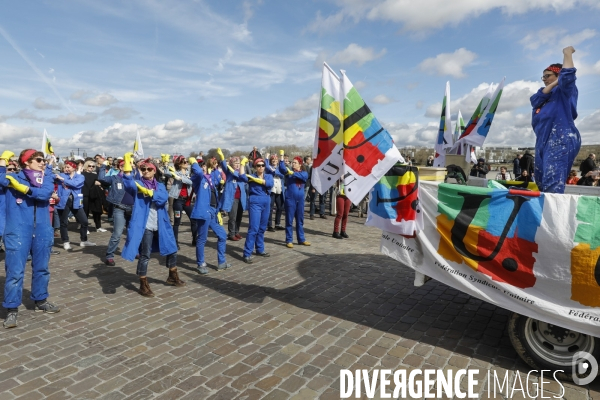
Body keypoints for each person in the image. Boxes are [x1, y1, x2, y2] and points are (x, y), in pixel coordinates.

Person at [0, 149, 60, 329]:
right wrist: (3, 161)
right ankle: (11, 309)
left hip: (42, 228)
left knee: (42, 268)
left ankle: (41, 299)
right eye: (39, 160)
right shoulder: (13, 177)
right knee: (15, 272)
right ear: (26, 162)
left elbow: (44, 194)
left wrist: (23, 189)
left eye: (43, 160)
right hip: (17, 229)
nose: (43, 163)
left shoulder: (46, 178)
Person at [121, 154, 184, 297]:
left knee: (172, 249)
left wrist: (150, 193)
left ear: (154, 171)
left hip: (161, 223)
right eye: (143, 169)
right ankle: (143, 283)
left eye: (149, 169)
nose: (146, 171)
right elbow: (127, 182)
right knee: (145, 255)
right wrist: (126, 163)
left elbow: (162, 199)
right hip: (146, 225)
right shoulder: (138, 184)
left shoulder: (160, 185)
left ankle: (172, 276)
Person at [530, 46, 580, 194]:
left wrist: (567, 54)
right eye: (543, 77)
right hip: (542, 140)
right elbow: (534, 99)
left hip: (560, 136)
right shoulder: (542, 97)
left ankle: (552, 215)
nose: (544, 79)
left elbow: (568, 76)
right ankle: (543, 212)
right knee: (540, 181)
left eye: (548, 76)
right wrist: (553, 83)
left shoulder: (564, 91)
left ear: (558, 75)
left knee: (553, 181)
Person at [189, 156, 232, 273]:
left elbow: (223, 175)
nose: (203, 168)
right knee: (202, 239)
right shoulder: (197, 178)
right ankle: (201, 264)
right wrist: (193, 162)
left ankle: (222, 262)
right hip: (203, 212)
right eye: (201, 165)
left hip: (213, 211)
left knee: (222, 235)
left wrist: (218, 163)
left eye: (204, 165)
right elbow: (198, 172)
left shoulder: (210, 178)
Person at [98, 159, 134, 266]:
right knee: (117, 233)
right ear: (120, 167)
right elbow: (101, 178)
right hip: (119, 208)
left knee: (132, 232)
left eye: (129, 165)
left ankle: (133, 251)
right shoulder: (114, 178)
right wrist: (103, 166)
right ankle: (109, 255)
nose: (127, 168)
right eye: (124, 166)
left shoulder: (135, 178)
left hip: (132, 208)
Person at [55, 160, 96, 250]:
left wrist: (63, 180)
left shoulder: (80, 176)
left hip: (76, 201)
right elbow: (50, 176)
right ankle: (65, 241)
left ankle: (84, 240)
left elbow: (76, 184)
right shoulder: (61, 175)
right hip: (64, 201)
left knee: (84, 221)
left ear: (74, 168)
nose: (66, 169)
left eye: (68, 167)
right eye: (65, 167)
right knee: (63, 222)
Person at [242, 158, 273, 263]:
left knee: (262, 227)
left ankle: (260, 249)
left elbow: (270, 184)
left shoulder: (268, 175)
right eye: (258, 165)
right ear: (255, 167)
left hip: (266, 200)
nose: (261, 167)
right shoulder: (252, 177)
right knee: (253, 228)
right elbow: (242, 177)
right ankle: (247, 253)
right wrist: (242, 164)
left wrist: (260, 181)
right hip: (255, 200)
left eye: (263, 165)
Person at [165, 156, 197, 249]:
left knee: (194, 220)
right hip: (178, 200)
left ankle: (195, 239)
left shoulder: (189, 173)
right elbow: (167, 173)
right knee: (177, 222)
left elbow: (191, 182)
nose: (186, 163)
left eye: (187, 161)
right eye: (184, 161)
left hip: (187, 201)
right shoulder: (176, 173)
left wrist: (180, 178)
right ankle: (175, 242)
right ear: (179, 164)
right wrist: (167, 164)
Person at [279, 152, 310, 248]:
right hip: (290, 199)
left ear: (300, 164)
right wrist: (281, 158)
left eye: (295, 163)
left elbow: (304, 177)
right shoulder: (289, 172)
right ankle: (289, 240)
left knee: (300, 220)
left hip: (300, 199)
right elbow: (282, 168)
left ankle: (301, 239)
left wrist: (294, 173)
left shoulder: (303, 173)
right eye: (292, 162)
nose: (293, 164)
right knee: (289, 220)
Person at [220, 154, 247, 241]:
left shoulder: (241, 172)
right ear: (231, 164)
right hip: (232, 199)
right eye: (235, 163)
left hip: (241, 198)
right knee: (233, 217)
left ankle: (236, 232)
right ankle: (231, 234)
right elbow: (224, 165)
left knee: (239, 216)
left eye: (239, 163)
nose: (237, 165)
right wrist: (222, 157)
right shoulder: (229, 172)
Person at [82, 160, 107, 232]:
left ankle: (98, 227)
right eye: (89, 166)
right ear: (86, 166)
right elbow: (87, 184)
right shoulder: (82, 174)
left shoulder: (95, 175)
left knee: (97, 211)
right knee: (85, 212)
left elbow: (100, 183)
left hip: (94, 195)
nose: (91, 167)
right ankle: (85, 227)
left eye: (93, 166)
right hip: (85, 195)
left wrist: (99, 184)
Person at [266, 154, 284, 232]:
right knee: (270, 208)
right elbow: (266, 167)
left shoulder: (279, 168)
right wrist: (266, 158)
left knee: (280, 207)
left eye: (276, 160)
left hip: (279, 189)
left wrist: (275, 172)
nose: (274, 161)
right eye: (273, 160)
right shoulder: (269, 168)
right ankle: (269, 225)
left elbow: (282, 175)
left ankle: (277, 223)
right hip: (272, 189)